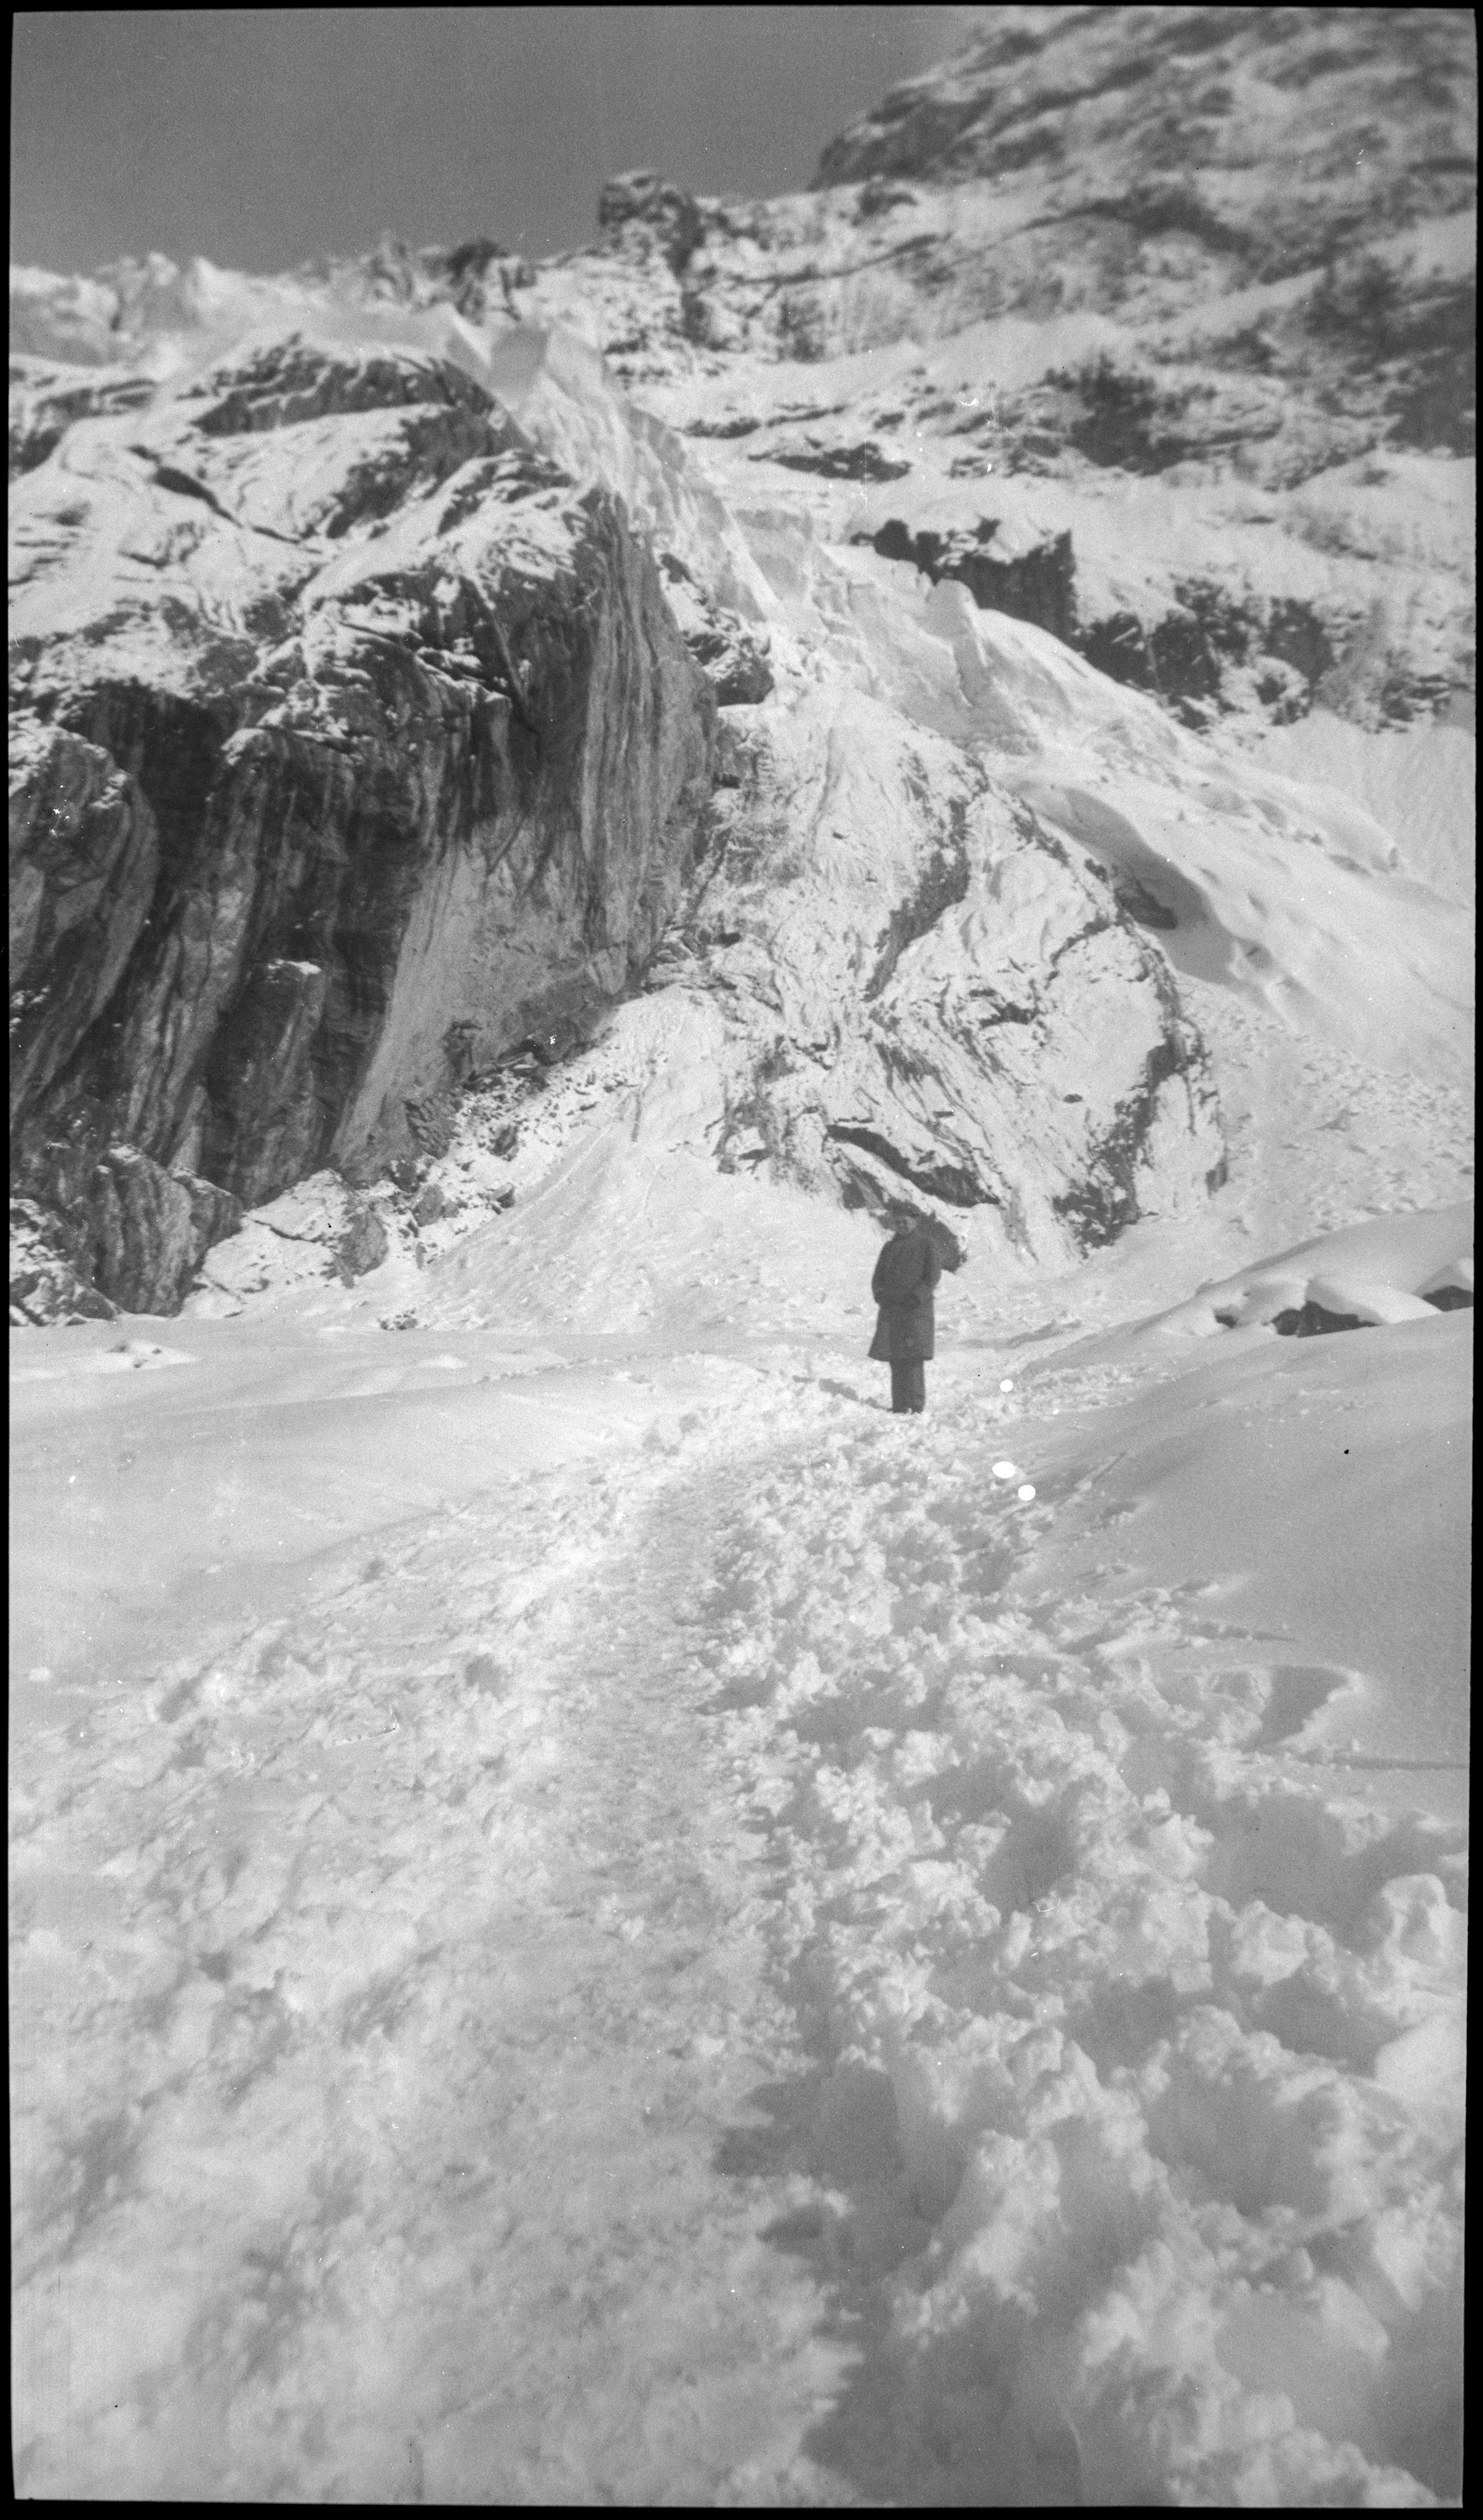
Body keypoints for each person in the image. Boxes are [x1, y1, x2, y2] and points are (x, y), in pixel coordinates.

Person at [868, 1203, 942, 1413]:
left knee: (913, 1359)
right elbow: (878, 1278)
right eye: (897, 1221)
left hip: (916, 1311)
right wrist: (880, 1295)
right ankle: (899, 1406)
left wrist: (916, 1297)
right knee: (896, 1357)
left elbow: (932, 1276)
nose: (901, 1225)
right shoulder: (889, 1248)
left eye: (905, 1220)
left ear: (915, 1220)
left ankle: (916, 1406)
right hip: (892, 1311)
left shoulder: (927, 1244)